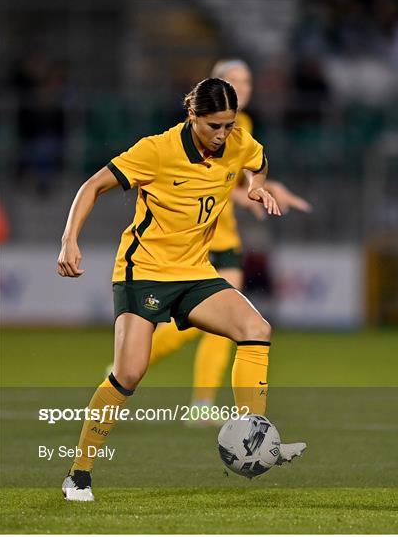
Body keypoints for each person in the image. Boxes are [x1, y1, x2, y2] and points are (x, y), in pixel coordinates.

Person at [58, 78, 306, 501]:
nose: (223, 135)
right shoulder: (156, 151)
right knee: (129, 372)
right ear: (192, 116)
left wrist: (256, 186)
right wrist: (69, 239)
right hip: (145, 272)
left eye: (228, 125)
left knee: (256, 329)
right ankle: (79, 472)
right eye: (214, 126)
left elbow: (257, 160)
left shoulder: (237, 142)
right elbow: (91, 186)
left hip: (194, 272)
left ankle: (255, 437)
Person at [142, 60, 312, 421]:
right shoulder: (204, 130)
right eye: (235, 81)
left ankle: (201, 402)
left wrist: (267, 187)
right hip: (195, 241)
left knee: (227, 325)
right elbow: (210, 182)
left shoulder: (241, 128)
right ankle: (137, 359)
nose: (243, 87)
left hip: (225, 237)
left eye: (247, 80)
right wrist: (249, 192)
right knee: (203, 325)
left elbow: (245, 174)